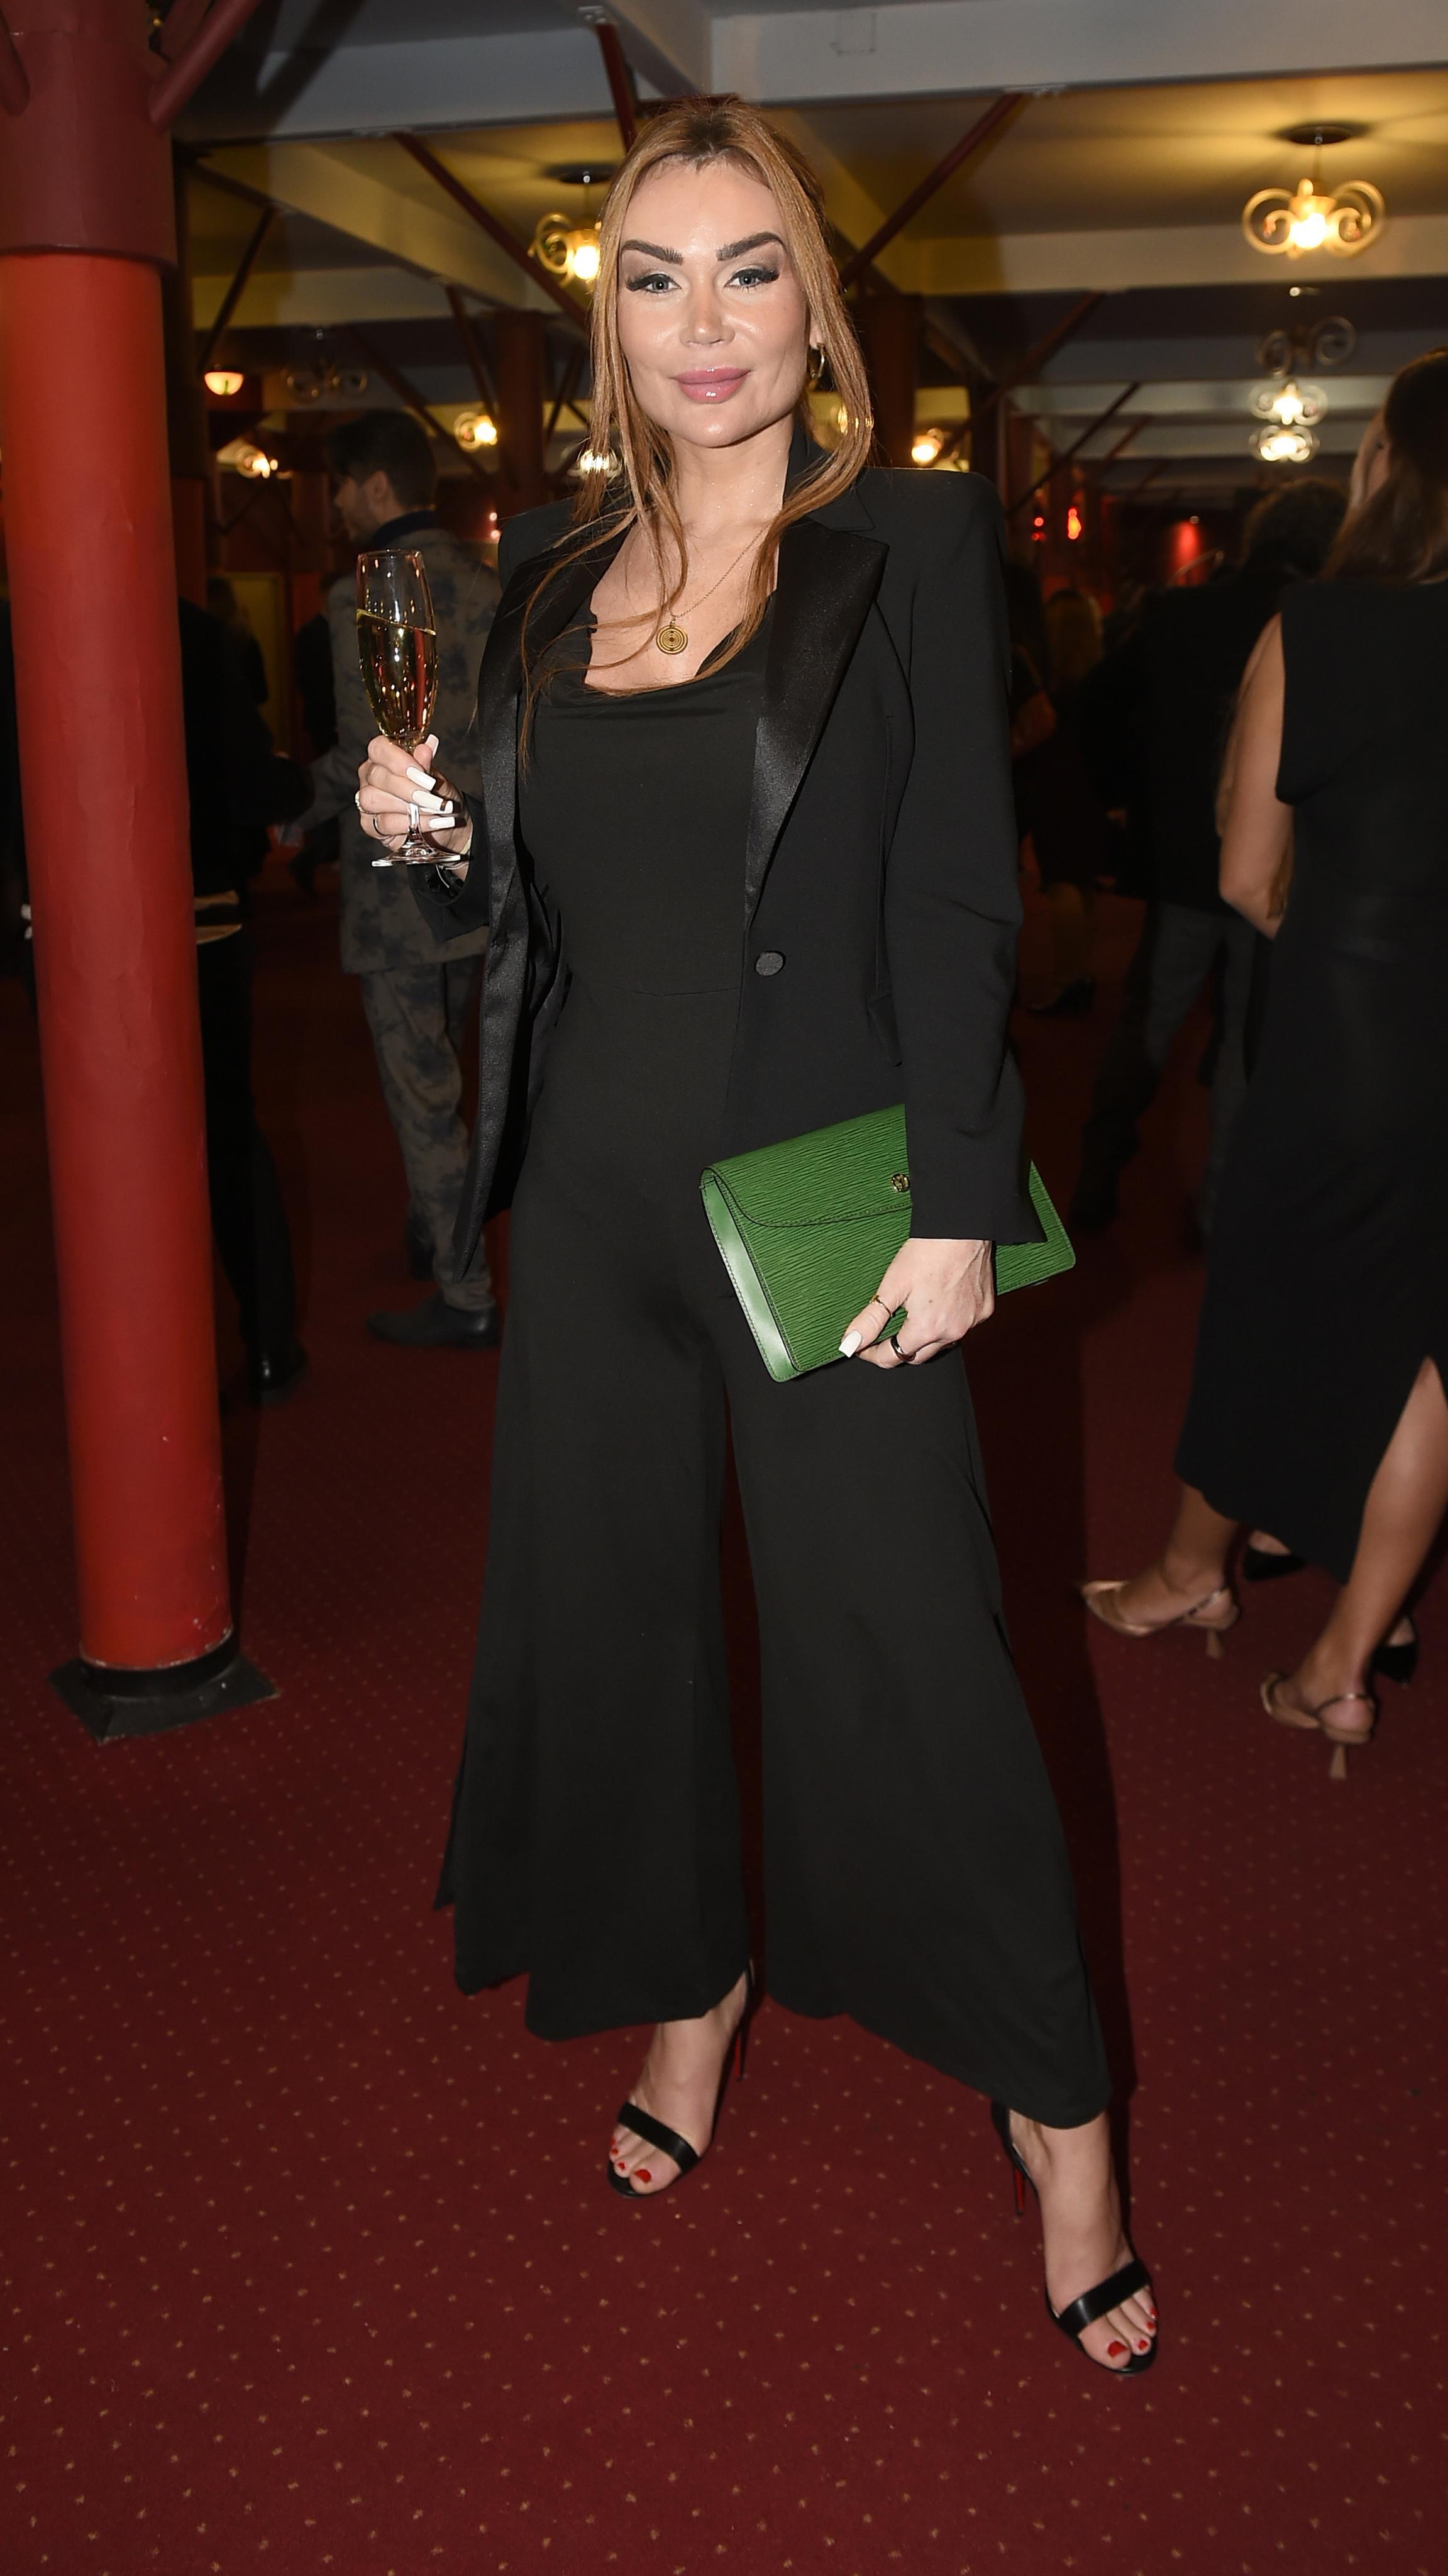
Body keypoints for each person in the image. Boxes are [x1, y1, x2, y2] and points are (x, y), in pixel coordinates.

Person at [356, 97, 1159, 2375]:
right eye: (651, 277)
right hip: (595, 1209)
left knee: (913, 1653)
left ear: (814, 308)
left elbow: (954, 894)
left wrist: (955, 1205)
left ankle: (1064, 2121)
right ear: (604, 321)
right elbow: (526, 901)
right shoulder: (542, 569)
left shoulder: (900, 540)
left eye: (744, 269)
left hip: (825, 1205)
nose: (699, 322)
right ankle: (686, 1995)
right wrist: (426, 836)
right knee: (620, 1639)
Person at [1080, 349, 1448, 1778]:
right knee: (1424, 1350)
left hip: (1348, 1031)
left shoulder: (1317, 625)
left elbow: (1243, 875)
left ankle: (1190, 1574)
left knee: (1264, 1311)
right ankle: (1341, 1667)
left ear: (1385, 467)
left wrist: (1347, 943)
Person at [3, 594, 311, 1401]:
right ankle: (267, 1341)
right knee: (226, 1128)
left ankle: (134, 1364)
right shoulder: (195, 634)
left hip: (63, 934)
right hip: (197, 919)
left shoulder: (16, 630)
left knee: (98, 1140)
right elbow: (253, 787)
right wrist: (292, 785)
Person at [1071, 480, 1346, 1234]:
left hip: (1182, 859)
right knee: (1242, 1041)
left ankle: (1096, 1172)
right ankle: (1221, 1210)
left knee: (1149, 1024)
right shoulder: (1323, 625)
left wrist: (1126, 795)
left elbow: (1094, 702)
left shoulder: (1179, 612)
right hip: (1281, 864)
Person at [287, 410, 501, 1346]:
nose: (335, 504)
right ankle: (435, 1228)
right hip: (479, 863)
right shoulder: (491, 584)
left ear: (376, 486)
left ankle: (465, 1290)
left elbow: (363, 750)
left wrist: (290, 805)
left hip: (397, 872)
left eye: (340, 485)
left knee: (422, 1089)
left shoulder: (365, 596)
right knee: (456, 1068)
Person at [1016, 586, 1114, 1018]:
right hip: (1093, 783)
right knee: (1083, 881)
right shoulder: (1099, 679)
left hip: (1054, 784)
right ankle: (1079, 972)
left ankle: (1066, 980)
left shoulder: (1046, 683)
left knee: (1061, 882)